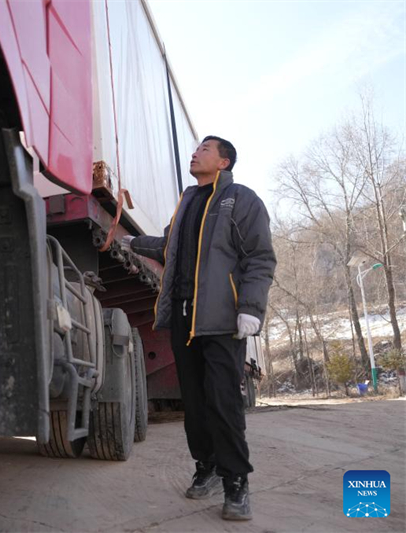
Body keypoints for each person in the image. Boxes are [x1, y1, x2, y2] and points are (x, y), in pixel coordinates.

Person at [123, 136, 276, 521]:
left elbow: (259, 257)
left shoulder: (240, 200)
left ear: (224, 162)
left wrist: (250, 308)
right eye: (196, 149)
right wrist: (133, 242)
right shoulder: (188, 201)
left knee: (223, 402)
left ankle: (236, 481)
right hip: (184, 318)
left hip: (222, 322)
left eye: (205, 149)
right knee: (193, 404)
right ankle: (206, 465)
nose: (195, 153)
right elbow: (169, 247)